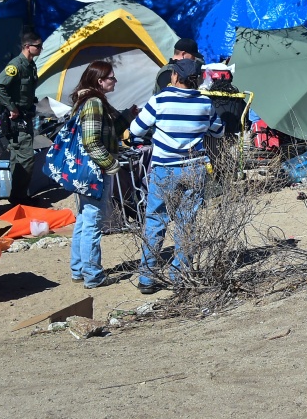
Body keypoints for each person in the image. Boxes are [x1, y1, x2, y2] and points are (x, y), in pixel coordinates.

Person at [130, 58, 224, 294]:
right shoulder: (205, 102)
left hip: (165, 169)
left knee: (156, 221)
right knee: (187, 223)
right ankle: (180, 275)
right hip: (194, 168)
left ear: (174, 76)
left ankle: (147, 278)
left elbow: (135, 130)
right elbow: (219, 131)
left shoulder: (159, 100)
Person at [69, 61, 133, 289]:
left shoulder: (86, 101)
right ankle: (93, 276)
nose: (114, 81)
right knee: (93, 225)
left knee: (84, 220)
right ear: (99, 81)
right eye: (111, 78)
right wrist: (112, 165)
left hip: (84, 170)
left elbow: (107, 133)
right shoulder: (94, 103)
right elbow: (92, 142)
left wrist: (127, 116)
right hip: (95, 171)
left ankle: (78, 270)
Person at [0, 32, 42, 205]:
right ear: (28, 46)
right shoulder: (16, 65)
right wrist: (11, 107)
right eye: (38, 46)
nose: (41, 49)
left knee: (17, 157)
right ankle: (19, 197)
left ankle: (17, 196)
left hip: (25, 116)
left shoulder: (30, 65)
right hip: (16, 118)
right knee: (26, 157)